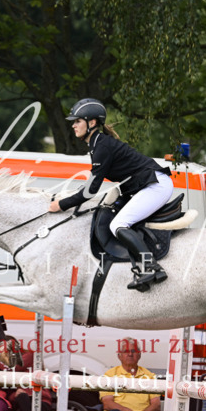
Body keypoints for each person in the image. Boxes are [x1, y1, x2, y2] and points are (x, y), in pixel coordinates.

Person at [47, 98, 173, 292]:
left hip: (156, 185)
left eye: (77, 121)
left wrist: (61, 205)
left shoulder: (102, 146)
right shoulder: (97, 144)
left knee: (118, 224)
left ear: (92, 123)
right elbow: (90, 185)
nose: (73, 125)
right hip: (149, 184)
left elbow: (90, 191)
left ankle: (151, 267)